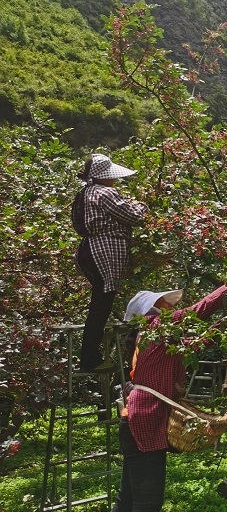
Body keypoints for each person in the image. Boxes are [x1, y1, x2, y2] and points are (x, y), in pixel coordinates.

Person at [106, 280, 227, 512]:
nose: (172, 306)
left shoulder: (156, 336)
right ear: (153, 309)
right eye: (166, 303)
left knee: (128, 500)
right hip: (144, 422)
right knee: (147, 505)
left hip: (134, 418)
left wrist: (226, 323)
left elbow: (192, 346)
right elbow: (197, 311)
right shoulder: (156, 328)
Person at [74, 154, 149, 372]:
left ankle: (91, 357)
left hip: (90, 249)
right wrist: (142, 205)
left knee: (100, 303)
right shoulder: (104, 192)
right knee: (101, 305)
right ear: (104, 176)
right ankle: (90, 358)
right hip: (103, 249)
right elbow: (134, 216)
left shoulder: (87, 192)